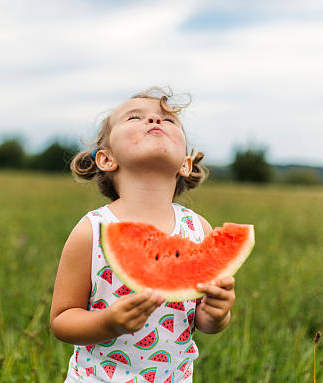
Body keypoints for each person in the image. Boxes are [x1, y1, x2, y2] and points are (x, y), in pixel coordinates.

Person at [50, 87, 236, 382]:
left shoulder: (199, 229)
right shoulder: (92, 231)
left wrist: (217, 314)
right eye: (135, 117)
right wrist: (107, 323)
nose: (154, 121)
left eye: (169, 120)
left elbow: (202, 322)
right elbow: (61, 319)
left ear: (185, 164)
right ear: (106, 159)